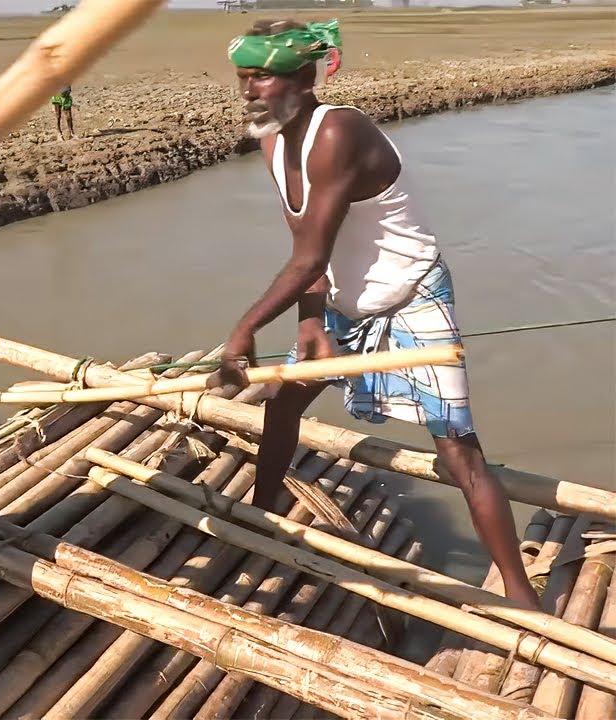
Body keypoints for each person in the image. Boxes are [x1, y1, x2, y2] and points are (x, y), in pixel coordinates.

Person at [211, 19, 539, 610]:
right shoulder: (272, 139)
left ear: (303, 79)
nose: (248, 91)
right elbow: (308, 250)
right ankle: (263, 519)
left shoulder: (340, 131)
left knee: (457, 450)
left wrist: (242, 330)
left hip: (412, 293)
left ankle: (519, 595)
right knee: (283, 404)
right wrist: (311, 321)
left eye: (260, 78)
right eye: (243, 78)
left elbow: (310, 252)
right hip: (340, 299)